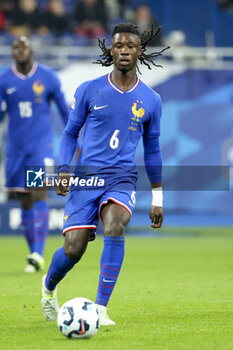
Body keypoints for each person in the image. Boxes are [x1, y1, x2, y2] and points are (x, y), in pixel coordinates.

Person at [41, 22, 169, 325]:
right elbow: (70, 133)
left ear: (140, 51)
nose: (124, 51)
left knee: (116, 225)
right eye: (119, 46)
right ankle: (48, 288)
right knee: (74, 249)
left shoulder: (151, 100)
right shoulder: (89, 89)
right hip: (86, 179)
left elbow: (153, 150)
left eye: (130, 46)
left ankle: (99, 310)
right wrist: (63, 169)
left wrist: (158, 198)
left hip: (122, 178)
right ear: (110, 50)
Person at [0, 36, 69, 272]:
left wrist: (76, 137)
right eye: (15, 48)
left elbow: (64, 110)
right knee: (24, 200)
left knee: (39, 194)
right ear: (12, 53)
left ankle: (38, 254)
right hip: (14, 149)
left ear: (32, 51)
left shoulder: (47, 77)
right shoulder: (3, 78)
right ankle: (34, 252)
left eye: (24, 47)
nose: (20, 51)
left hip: (41, 147)